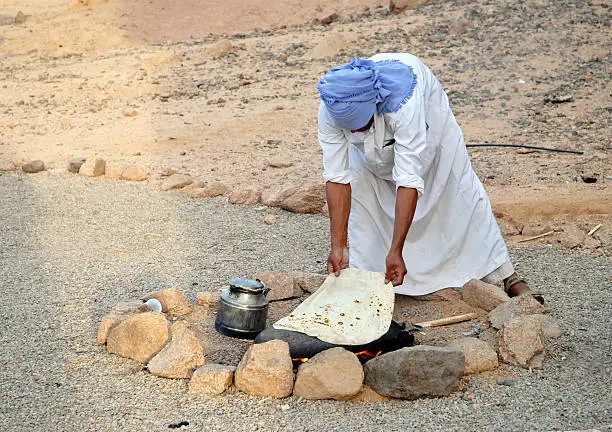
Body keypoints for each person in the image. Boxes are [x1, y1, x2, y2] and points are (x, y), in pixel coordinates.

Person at [316, 53, 542, 302]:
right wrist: (338, 246)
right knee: (364, 200)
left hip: (430, 142)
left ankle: (504, 275)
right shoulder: (331, 107)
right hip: (370, 158)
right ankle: (366, 279)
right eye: (349, 129)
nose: (354, 132)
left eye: (360, 125)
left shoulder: (404, 103)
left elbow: (408, 180)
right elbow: (337, 178)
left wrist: (396, 250)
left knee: (458, 197)